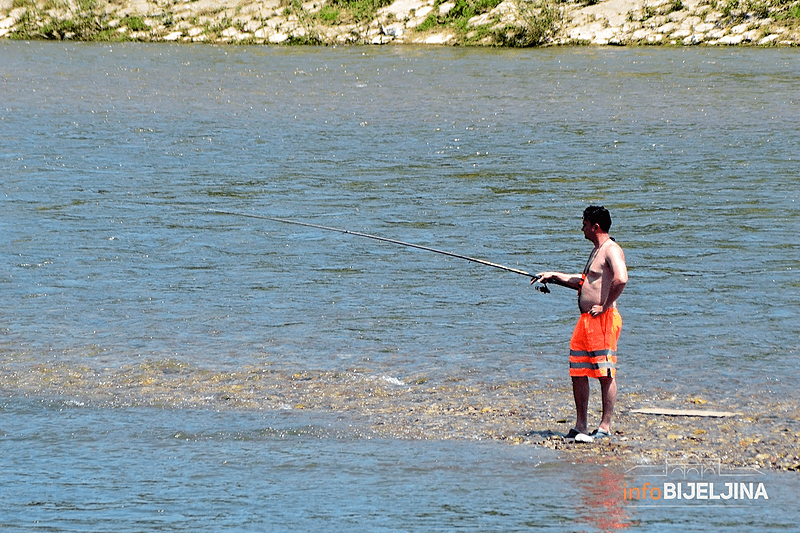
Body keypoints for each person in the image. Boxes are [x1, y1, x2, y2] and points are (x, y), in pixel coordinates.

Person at [536, 205, 628, 442]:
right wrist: (553, 276)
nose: (582, 227)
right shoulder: (596, 251)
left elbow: (621, 278)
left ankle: (605, 426)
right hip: (586, 321)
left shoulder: (611, 249)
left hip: (603, 319)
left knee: (605, 372)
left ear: (595, 226)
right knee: (577, 370)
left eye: (585, 223)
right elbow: (584, 281)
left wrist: (605, 305)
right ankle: (581, 426)